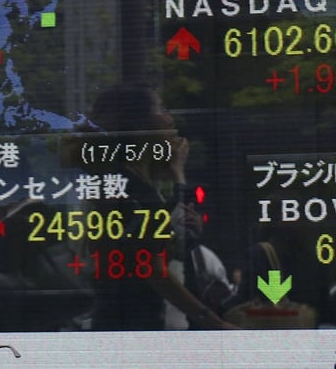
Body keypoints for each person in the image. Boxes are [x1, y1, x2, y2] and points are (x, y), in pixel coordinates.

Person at [84, 84, 236, 330]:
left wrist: (177, 174)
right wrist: (214, 322)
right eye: (161, 108)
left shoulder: (130, 185)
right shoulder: (133, 190)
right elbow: (154, 270)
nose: (169, 118)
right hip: (141, 326)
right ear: (138, 124)